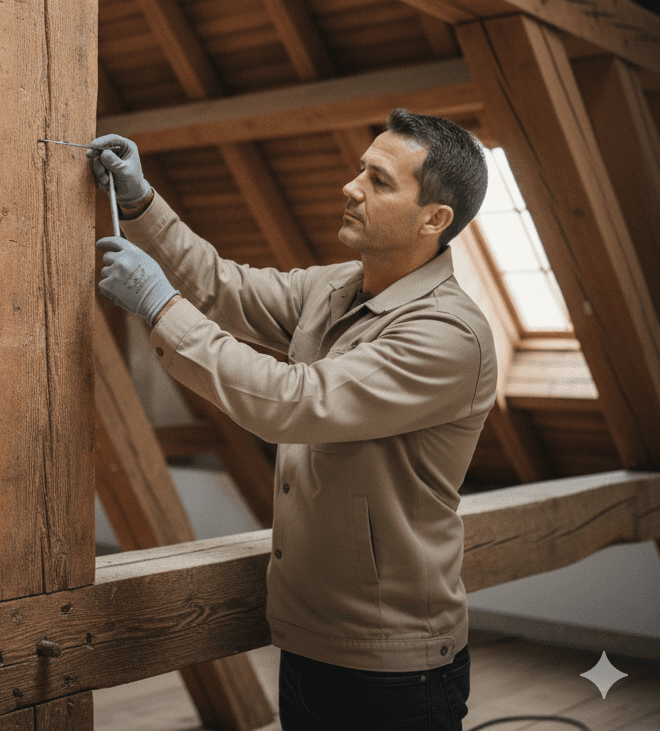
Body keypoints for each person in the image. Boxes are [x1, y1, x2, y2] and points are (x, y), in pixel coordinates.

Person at [89, 109, 497, 731]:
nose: (350, 187)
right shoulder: (338, 287)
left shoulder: (447, 334)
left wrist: (158, 304)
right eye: (360, 169)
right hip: (308, 640)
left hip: (394, 666)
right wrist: (141, 202)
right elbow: (222, 286)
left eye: (379, 181)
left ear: (434, 219)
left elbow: (292, 401)